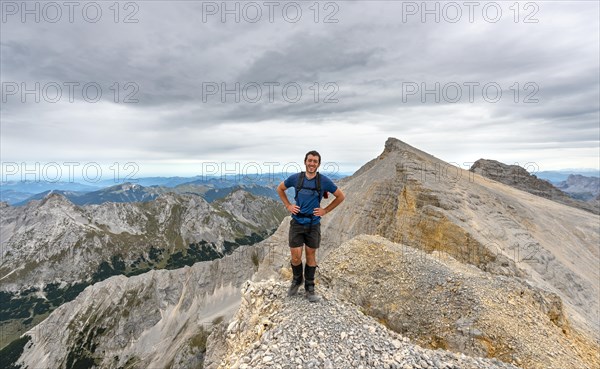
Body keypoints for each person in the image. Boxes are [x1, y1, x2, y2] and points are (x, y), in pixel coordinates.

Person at [276, 150, 345, 302]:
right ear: (305, 162)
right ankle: (296, 279)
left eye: (315, 161)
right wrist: (288, 205)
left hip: (313, 224)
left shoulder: (324, 181)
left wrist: (325, 210)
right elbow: (280, 189)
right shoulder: (296, 178)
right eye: (310, 160)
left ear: (318, 164)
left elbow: (341, 196)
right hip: (297, 222)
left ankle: (310, 287)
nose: (312, 163)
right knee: (295, 256)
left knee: (310, 255)